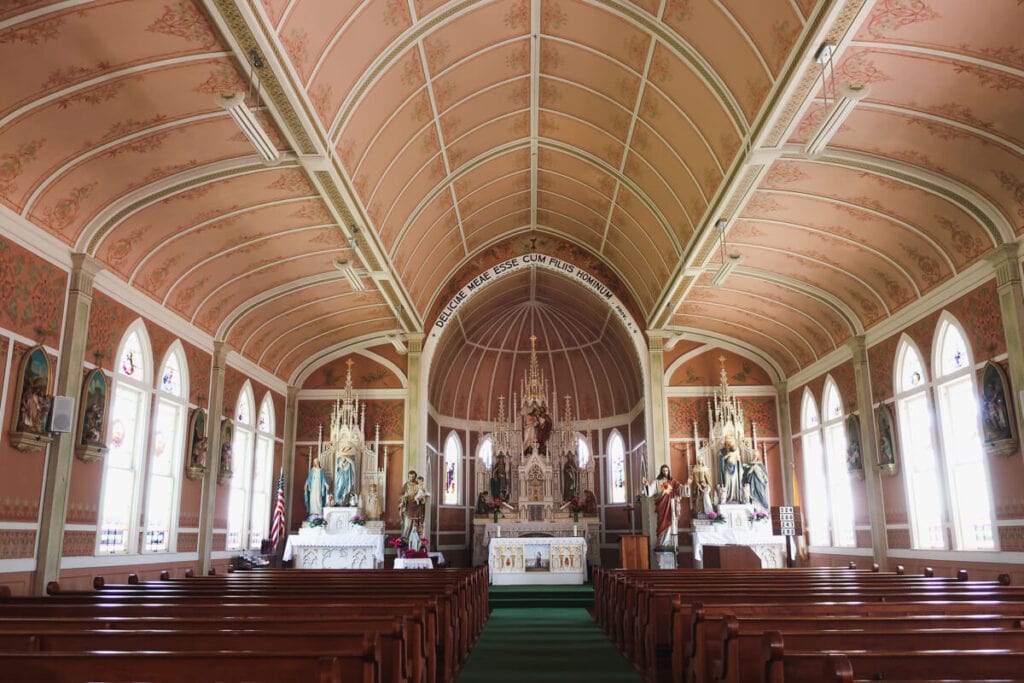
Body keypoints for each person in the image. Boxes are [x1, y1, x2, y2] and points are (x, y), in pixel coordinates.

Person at [643, 465, 681, 548]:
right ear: (661, 471)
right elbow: (650, 491)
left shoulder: (672, 481)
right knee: (661, 524)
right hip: (662, 506)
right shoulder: (657, 481)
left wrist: (686, 485)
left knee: (670, 522)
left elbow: (680, 489)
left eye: (667, 470)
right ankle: (661, 543)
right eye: (663, 471)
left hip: (670, 507)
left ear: (669, 471)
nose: (665, 472)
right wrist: (646, 485)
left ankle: (669, 543)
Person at [399, 470, 425, 541]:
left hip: (417, 508)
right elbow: (400, 496)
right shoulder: (406, 485)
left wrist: (421, 498)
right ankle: (404, 542)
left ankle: (414, 544)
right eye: (410, 477)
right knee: (407, 526)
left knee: (415, 527)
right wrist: (404, 496)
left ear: (415, 477)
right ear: (408, 477)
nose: (411, 478)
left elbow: (423, 493)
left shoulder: (418, 484)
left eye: (413, 477)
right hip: (408, 508)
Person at [718, 436, 743, 504]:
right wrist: (727, 456)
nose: (729, 443)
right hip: (727, 468)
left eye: (730, 442)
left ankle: (735, 497)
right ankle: (727, 497)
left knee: (734, 482)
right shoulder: (722, 451)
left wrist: (737, 458)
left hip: (734, 469)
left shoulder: (735, 449)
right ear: (725, 443)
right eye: (727, 442)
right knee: (727, 482)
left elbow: (739, 460)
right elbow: (721, 460)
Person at [333, 441, 359, 506]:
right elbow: (337, 466)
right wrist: (342, 461)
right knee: (340, 486)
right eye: (348, 447)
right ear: (345, 447)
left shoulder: (351, 456)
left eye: (350, 448)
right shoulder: (339, 456)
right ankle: (338, 501)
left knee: (348, 487)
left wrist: (347, 459)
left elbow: (353, 464)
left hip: (348, 474)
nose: (349, 449)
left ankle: (347, 501)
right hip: (341, 474)